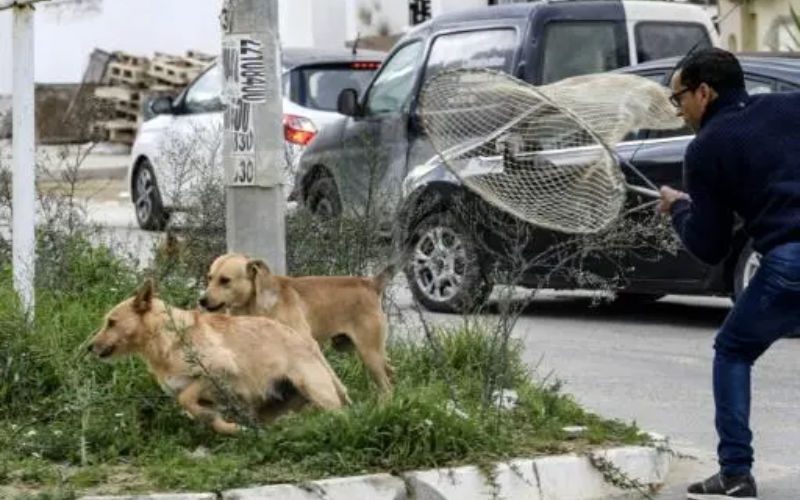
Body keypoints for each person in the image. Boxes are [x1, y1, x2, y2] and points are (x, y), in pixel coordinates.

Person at [658, 48, 800, 500]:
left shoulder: (706, 148)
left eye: (679, 98)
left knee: (733, 351)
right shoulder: (788, 106)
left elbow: (710, 246)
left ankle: (736, 473)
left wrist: (679, 208)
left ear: (705, 91)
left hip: (789, 262)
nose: (679, 111)